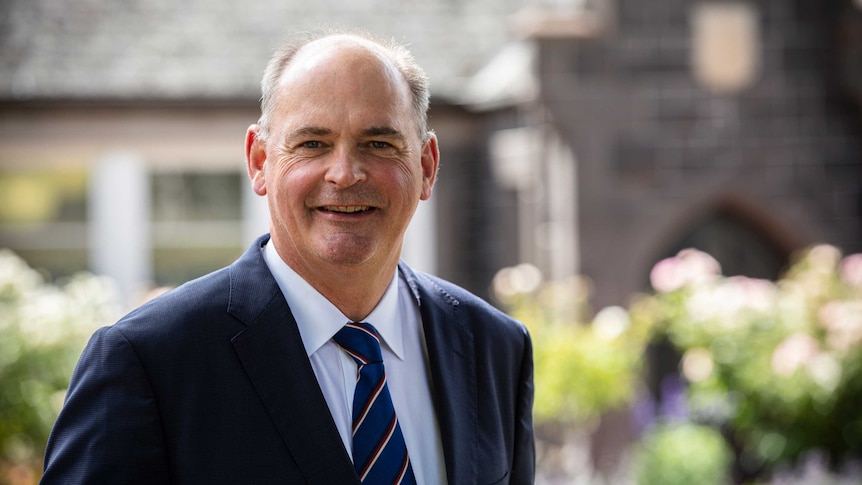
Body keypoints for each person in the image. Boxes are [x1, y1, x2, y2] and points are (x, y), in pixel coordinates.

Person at [41, 29, 534, 485]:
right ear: (260, 161)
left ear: (426, 166)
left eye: (378, 143)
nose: (344, 173)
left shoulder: (494, 348)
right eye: (313, 143)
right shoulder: (149, 361)